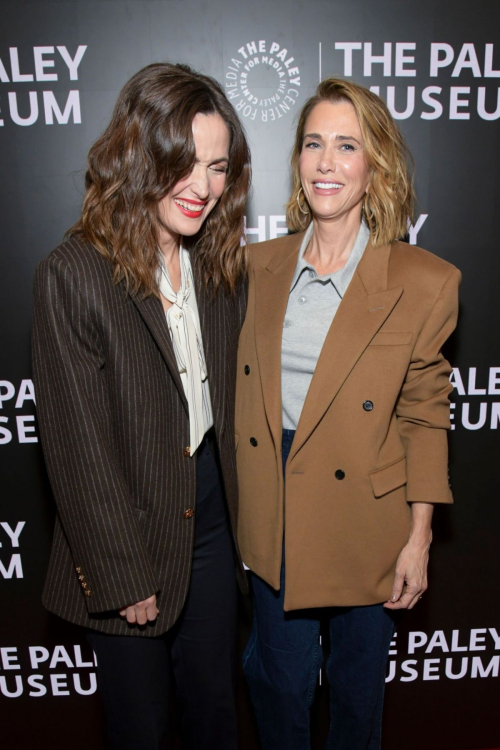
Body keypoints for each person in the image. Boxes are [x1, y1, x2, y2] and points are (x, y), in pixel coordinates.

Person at [235, 78, 460, 749]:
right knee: (278, 693)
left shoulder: (424, 280)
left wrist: (419, 538)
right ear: (298, 159)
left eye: (346, 146)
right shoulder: (253, 267)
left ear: (375, 167)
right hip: (275, 506)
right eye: (313, 144)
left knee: (358, 707)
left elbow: (424, 416)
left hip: (369, 518)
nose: (326, 163)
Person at [32, 62, 250, 750]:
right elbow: (77, 448)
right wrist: (123, 572)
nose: (202, 187)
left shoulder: (217, 265)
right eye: (183, 162)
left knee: (216, 709)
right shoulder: (73, 273)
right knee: (141, 727)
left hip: (213, 516)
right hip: (124, 520)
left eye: (217, 167)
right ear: (138, 154)